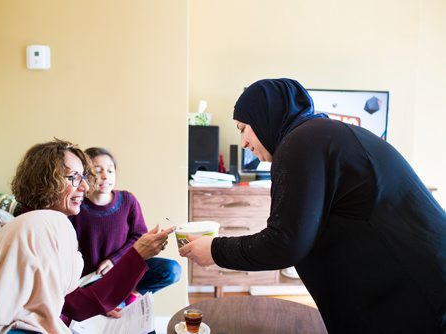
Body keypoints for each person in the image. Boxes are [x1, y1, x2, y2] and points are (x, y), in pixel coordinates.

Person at [179, 78, 446, 333]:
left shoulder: (301, 141)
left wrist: (214, 250)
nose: (244, 143)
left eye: (242, 129)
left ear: (264, 116)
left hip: (419, 295)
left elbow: (285, 243)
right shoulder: (319, 135)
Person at [0, 139, 174, 333]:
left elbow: (70, 302)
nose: (85, 186)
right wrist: (137, 254)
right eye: (74, 178)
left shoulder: (40, 220)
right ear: (46, 181)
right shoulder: (44, 224)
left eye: (83, 177)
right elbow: (78, 306)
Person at [69, 147, 181, 310]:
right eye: (97, 171)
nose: (105, 176)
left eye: (110, 171)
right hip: (92, 280)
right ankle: (113, 304)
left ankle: (129, 297)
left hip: (125, 269)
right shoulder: (77, 206)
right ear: (85, 175)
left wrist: (114, 260)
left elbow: (139, 237)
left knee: (172, 270)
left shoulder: (127, 200)